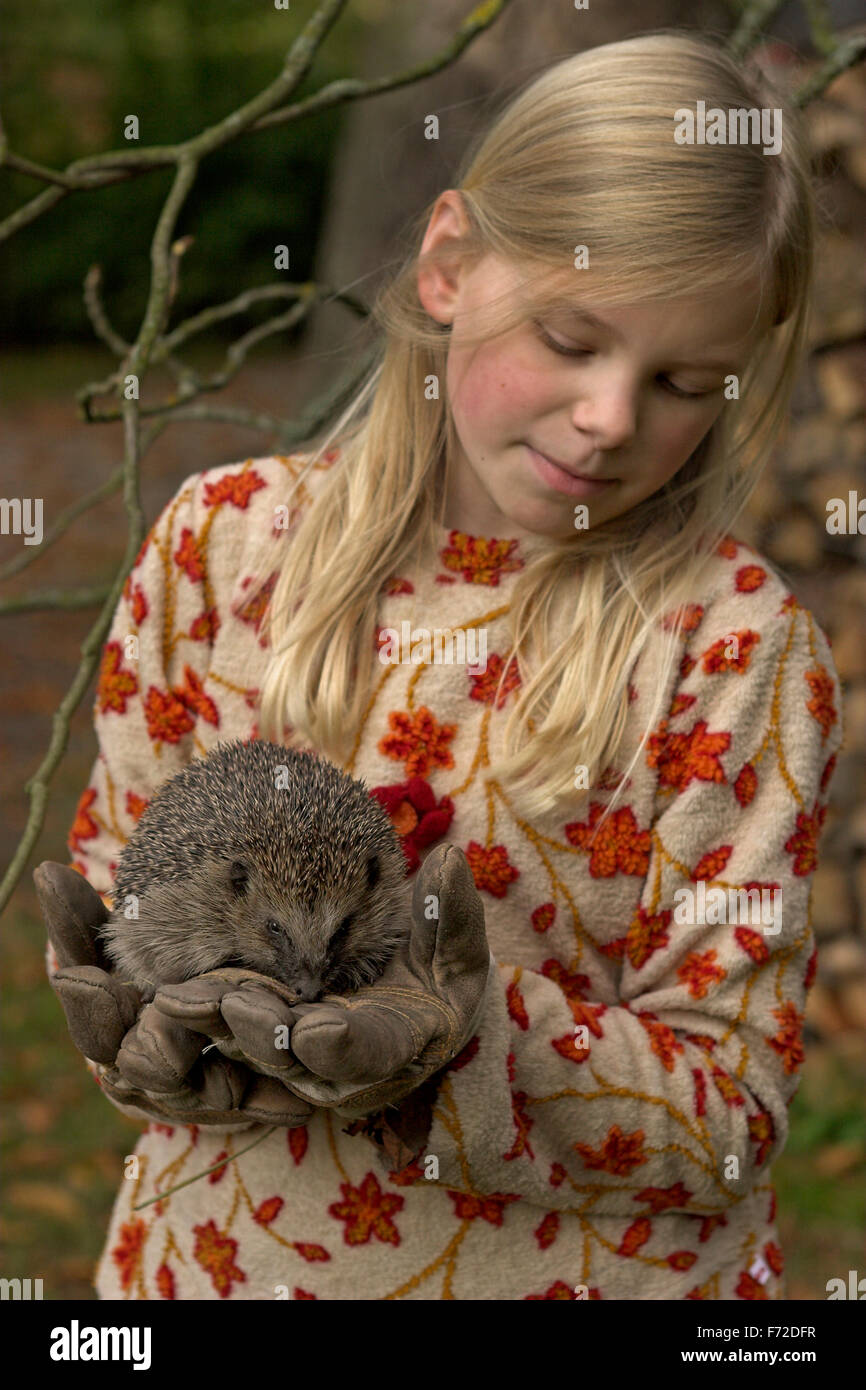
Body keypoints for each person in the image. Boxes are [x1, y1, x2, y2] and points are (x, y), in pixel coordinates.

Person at [41, 31, 843, 1300]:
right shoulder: (221, 546)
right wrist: (142, 1018)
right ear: (448, 263)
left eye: (685, 381)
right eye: (573, 341)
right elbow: (120, 905)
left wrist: (457, 1028)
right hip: (216, 1269)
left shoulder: (728, 648)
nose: (612, 418)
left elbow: (726, 1111)